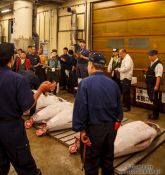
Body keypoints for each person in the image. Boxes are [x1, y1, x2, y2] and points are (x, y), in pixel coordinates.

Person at [0, 43, 56, 175]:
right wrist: (41, 90)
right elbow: (27, 106)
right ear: (11, 59)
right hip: (12, 130)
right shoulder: (17, 79)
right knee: (26, 168)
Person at [72, 52, 123, 175]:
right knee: (107, 161)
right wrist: (115, 126)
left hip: (93, 131)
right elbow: (119, 110)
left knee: (91, 163)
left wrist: (82, 130)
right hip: (110, 130)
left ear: (90, 65)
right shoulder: (113, 84)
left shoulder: (84, 83)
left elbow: (80, 109)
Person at [146, 50, 163, 120]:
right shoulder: (152, 62)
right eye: (149, 56)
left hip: (154, 85)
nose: (149, 57)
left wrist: (156, 86)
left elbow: (158, 76)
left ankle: (155, 116)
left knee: (155, 100)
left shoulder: (159, 65)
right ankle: (153, 113)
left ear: (155, 55)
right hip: (150, 84)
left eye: (151, 56)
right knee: (153, 99)